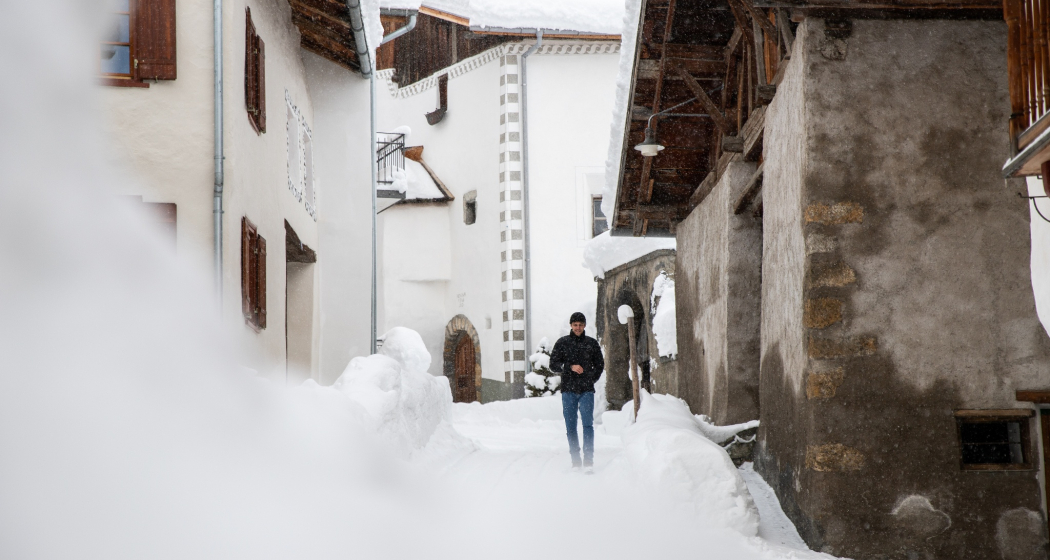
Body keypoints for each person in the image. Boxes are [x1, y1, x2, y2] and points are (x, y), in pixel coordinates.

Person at [549, 312, 604, 472]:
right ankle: (575, 461)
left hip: (586, 390)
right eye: (575, 325)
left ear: (584, 325)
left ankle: (588, 461)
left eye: (580, 325)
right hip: (568, 391)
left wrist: (590, 378)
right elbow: (553, 365)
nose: (578, 327)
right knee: (571, 427)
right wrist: (569, 367)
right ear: (571, 326)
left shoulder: (591, 344)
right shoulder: (562, 343)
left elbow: (600, 365)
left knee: (587, 425)